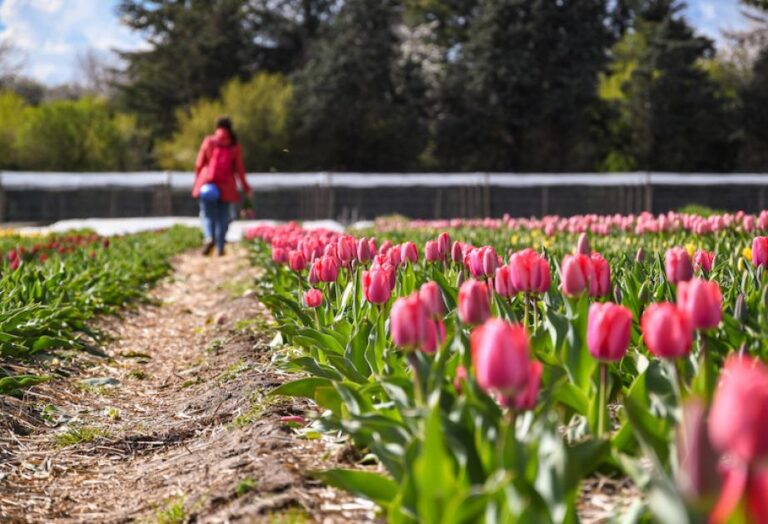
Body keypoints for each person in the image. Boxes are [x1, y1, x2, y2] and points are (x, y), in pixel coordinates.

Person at [192, 117, 251, 256]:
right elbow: (240, 170)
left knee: (208, 215)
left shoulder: (209, 141)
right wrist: (246, 188)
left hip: (208, 184)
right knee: (223, 217)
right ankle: (220, 247)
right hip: (227, 186)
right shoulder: (234, 145)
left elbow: (199, 164)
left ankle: (209, 237)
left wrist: (198, 182)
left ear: (217, 127)